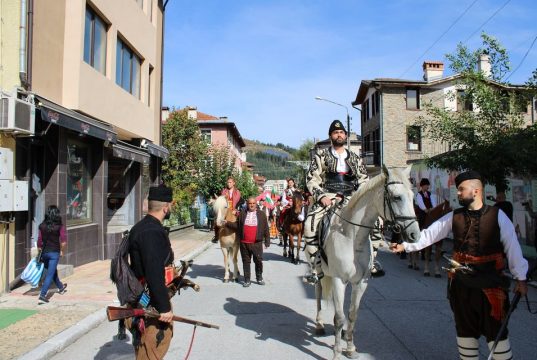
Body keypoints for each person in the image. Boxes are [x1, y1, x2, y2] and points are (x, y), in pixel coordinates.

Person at [391, 170, 528, 360]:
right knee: (465, 333)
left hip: (491, 286)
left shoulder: (498, 216)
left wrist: (521, 278)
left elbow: (513, 249)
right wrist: (404, 246)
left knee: (497, 334)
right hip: (461, 287)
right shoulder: (454, 217)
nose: (458, 193)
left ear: (476, 191)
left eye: (461, 189)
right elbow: (429, 235)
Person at [303, 119, 377, 284]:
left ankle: (372, 262)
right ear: (331, 136)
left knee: (376, 221)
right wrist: (322, 196)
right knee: (309, 225)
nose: (339, 135)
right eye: (336, 132)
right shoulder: (320, 156)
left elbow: (364, 180)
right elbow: (311, 180)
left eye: (342, 132)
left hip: (352, 197)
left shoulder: (355, 158)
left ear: (345, 135)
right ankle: (316, 268)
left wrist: (360, 197)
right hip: (328, 196)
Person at [126, 185, 175, 359]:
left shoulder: (141, 227)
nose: (171, 208)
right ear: (165, 207)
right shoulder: (152, 232)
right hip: (150, 302)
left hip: (144, 297)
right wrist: (164, 308)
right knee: (151, 349)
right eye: (171, 205)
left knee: (146, 349)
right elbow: (154, 272)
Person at [225, 196, 270, 287]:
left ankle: (259, 278)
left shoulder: (261, 214)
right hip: (244, 243)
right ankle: (247, 280)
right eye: (250, 203)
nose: (252, 205)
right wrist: (227, 223)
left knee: (258, 261)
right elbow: (237, 225)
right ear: (247, 204)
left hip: (256, 243)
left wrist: (267, 241)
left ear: (256, 204)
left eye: (253, 203)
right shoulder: (242, 213)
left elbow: (266, 229)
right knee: (246, 262)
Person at [37, 205, 68, 304]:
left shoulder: (42, 225)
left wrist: (40, 251)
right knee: (50, 274)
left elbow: (39, 242)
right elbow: (63, 242)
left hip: (45, 253)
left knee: (52, 271)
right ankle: (43, 295)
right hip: (54, 253)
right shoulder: (59, 226)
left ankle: (61, 287)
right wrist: (62, 251)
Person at [212, 177, 242, 243]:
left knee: (241, 221)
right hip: (225, 210)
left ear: (234, 183)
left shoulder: (237, 192)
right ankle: (216, 236)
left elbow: (239, 202)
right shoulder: (224, 191)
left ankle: (241, 235)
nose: (228, 184)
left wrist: (235, 210)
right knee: (216, 221)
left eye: (230, 182)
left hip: (234, 210)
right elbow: (221, 201)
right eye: (228, 182)